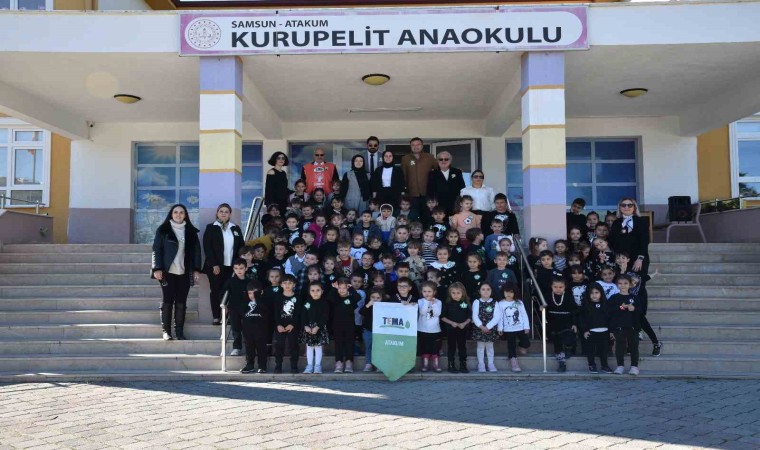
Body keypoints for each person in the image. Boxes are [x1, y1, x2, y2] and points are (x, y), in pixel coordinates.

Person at [151, 203, 202, 341]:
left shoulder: (191, 232)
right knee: (167, 301)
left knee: (181, 302)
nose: (178, 215)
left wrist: (196, 269)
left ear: (185, 215)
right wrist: (157, 268)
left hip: (184, 272)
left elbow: (197, 252)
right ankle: (166, 332)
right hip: (167, 272)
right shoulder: (163, 230)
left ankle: (179, 332)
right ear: (171, 214)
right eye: (175, 212)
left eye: (181, 212)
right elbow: (156, 249)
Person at [203, 203, 245, 326]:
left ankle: (227, 317)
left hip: (231, 267)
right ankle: (216, 316)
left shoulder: (235, 228)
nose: (224, 213)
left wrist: (238, 265)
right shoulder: (211, 227)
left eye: (226, 212)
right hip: (216, 267)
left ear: (230, 214)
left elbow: (241, 247)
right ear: (217, 213)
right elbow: (207, 247)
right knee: (216, 291)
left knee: (230, 291)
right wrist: (214, 264)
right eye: (221, 211)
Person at [608, 274, 640, 375]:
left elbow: (640, 312)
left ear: (630, 285)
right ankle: (620, 366)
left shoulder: (634, 297)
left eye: (625, 283)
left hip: (632, 326)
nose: (623, 285)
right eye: (620, 283)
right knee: (619, 346)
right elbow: (609, 311)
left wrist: (633, 308)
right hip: (619, 327)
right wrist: (621, 307)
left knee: (633, 346)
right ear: (617, 285)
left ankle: (634, 366)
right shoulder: (614, 297)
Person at [544, 277, 577, 373]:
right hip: (553, 322)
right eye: (555, 287)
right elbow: (545, 308)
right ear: (551, 287)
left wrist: (574, 323)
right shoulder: (548, 296)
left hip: (566, 321)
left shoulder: (568, 296)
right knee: (557, 339)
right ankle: (561, 362)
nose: (558, 289)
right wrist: (542, 307)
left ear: (564, 287)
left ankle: (569, 349)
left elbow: (573, 310)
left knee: (567, 336)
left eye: (560, 287)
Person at [497, 283, 531, 373]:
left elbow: (524, 315)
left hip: (520, 327)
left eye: (511, 292)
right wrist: (500, 328)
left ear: (515, 293)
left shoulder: (519, 302)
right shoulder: (501, 303)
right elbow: (500, 317)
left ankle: (521, 347)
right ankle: (513, 361)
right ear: (503, 292)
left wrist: (526, 327)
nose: (509, 294)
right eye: (506, 292)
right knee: (511, 345)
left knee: (526, 342)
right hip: (508, 329)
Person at [579, 284, 612, 374]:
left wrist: (611, 331)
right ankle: (591, 365)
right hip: (591, 332)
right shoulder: (585, 306)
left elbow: (610, 319)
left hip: (604, 331)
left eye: (596, 292)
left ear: (601, 293)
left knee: (604, 350)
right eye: (591, 293)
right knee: (591, 350)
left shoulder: (606, 304)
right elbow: (582, 320)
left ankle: (604, 365)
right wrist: (585, 330)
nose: (594, 295)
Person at [239, 281, 270, 374]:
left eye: (255, 293)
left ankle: (262, 366)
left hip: (261, 330)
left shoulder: (264, 302)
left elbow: (265, 312)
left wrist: (258, 299)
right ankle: (250, 365)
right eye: (250, 293)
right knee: (249, 348)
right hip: (248, 330)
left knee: (262, 348)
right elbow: (242, 312)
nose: (252, 295)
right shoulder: (245, 302)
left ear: (261, 292)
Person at [441, 282, 471, 373]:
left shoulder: (465, 303)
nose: (456, 295)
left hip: (462, 329)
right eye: (453, 293)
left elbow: (469, 316)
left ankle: (463, 364)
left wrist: (464, 323)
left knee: (462, 347)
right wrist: (452, 323)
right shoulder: (447, 303)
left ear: (463, 293)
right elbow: (442, 317)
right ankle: (451, 364)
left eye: (458, 293)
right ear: (450, 293)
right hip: (451, 329)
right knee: (451, 347)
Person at [273, 274, 301, 374]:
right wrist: (278, 325)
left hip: (293, 326)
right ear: (281, 285)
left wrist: (292, 324)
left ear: (294, 284)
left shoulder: (298, 297)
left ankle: (294, 366)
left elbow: (298, 313)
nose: (287, 285)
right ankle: (278, 365)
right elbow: (275, 312)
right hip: (280, 326)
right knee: (279, 346)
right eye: (285, 283)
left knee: (293, 346)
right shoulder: (278, 297)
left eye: (290, 283)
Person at [401, 137, 437, 213]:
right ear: (410, 146)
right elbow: (404, 175)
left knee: (427, 213)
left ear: (422, 146)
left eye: (418, 144)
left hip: (427, 192)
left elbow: (438, 171)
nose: (416, 147)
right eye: (413, 145)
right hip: (412, 192)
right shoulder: (405, 159)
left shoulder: (429, 157)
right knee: (414, 213)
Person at [223, 258, 250, 356]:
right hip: (234, 308)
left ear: (246, 268)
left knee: (248, 328)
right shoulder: (230, 281)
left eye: (241, 268)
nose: (239, 270)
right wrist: (225, 306)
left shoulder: (250, 282)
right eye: (236, 268)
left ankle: (250, 347)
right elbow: (223, 293)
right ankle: (237, 347)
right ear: (233, 269)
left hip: (247, 308)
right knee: (236, 328)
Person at [300, 281, 329, 374]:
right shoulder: (307, 303)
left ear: (322, 291)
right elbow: (303, 315)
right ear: (309, 292)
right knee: (309, 347)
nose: (315, 292)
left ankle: (317, 366)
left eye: (318, 290)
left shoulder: (324, 303)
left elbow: (325, 317)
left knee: (318, 347)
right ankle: (309, 365)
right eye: (312, 290)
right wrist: (305, 326)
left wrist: (318, 327)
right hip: (308, 328)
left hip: (319, 328)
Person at [472, 283, 500, 372]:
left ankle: (491, 363)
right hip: (479, 328)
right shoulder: (476, 302)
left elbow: (497, 317)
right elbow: (474, 316)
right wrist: (481, 326)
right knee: (480, 346)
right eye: (483, 289)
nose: (486, 291)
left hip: (490, 328)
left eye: (488, 289)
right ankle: (481, 364)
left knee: (490, 347)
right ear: (479, 291)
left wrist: (488, 327)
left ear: (491, 291)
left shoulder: (495, 302)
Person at [417, 281, 443, 373]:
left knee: (435, 347)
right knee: (425, 347)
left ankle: (436, 364)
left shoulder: (438, 302)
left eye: (429, 291)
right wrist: (427, 302)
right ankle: (425, 364)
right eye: (424, 291)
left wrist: (434, 304)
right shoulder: (420, 301)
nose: (427, 293)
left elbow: (437, 313)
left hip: (435, 329)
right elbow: (422, 312)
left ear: (434, 292)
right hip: (422, 329)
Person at [360, 287, 384, 372]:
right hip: (368, 330)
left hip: (380, 331)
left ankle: (379, 364)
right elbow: (361, 312)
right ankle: (368, 363)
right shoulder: (367, 305)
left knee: (379, 347)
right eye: (373, 297)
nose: (375, 299)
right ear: (369, 297)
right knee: (369, 347)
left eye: (378, 298)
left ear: (382, 298)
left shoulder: (384, 307)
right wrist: (368, 305)